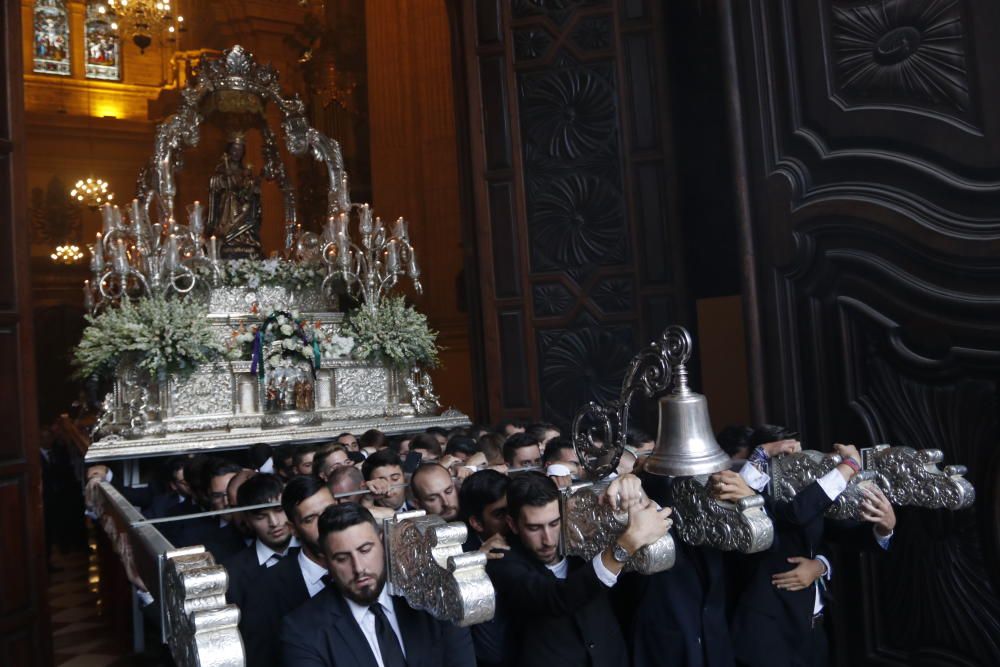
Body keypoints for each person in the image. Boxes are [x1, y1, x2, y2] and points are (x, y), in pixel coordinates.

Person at [486, 472, 670, 667]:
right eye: (534, 528)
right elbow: (556, 598)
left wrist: (633, 491)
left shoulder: (584, 537)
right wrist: (625, 545)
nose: (548, 539)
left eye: (554, 523)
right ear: (512, 524)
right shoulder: (502, 560)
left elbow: (651, 528)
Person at [281, 503, 476, 667]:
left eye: (365, 550)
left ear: (383, 542)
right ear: (326, 562)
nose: (358, 568)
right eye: (342, 558)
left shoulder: (433, 597)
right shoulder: (302, 630)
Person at [238, 475, 335, 667]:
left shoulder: (363, 568)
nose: (325, 523)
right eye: (310, 519)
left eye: (330, 511)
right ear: (294, 529)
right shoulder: (263, 590)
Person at [224, 474, 297, 610]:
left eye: (279, 510)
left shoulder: (313, 550)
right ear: (247, 520)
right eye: (261, 516)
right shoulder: (234, 574)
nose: (274, 523)